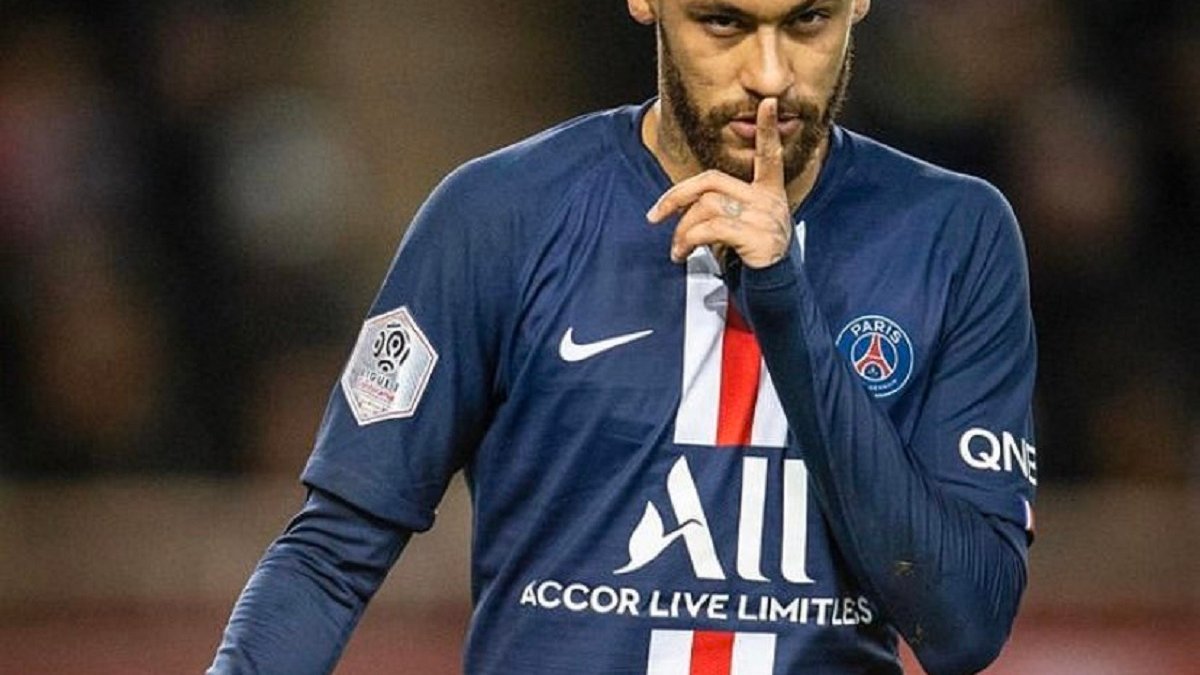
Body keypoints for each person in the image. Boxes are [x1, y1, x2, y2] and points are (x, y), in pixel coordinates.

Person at [209, 0, 1037, 673]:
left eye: (807, 22)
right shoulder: (498, 216)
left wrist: (783, 304)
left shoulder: (953, 234)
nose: (770, 76)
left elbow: (964, 625)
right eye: (723, 22)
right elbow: (332, 553)